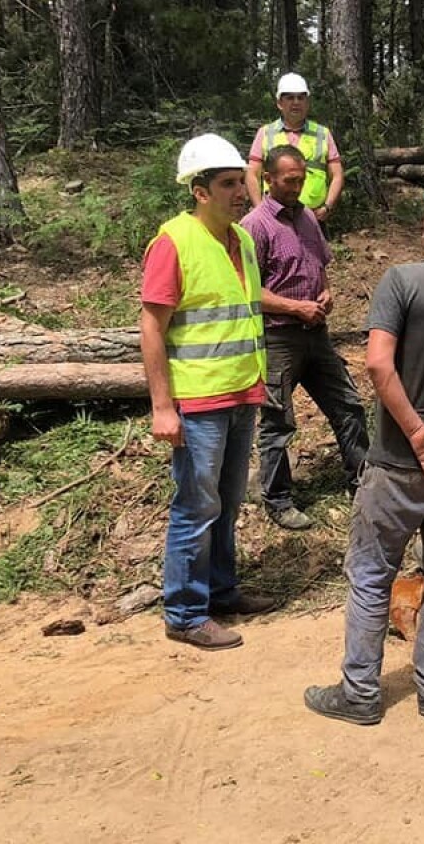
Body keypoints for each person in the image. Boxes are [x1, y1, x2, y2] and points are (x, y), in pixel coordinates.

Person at [304, 180, 424, 725]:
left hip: (400, 460)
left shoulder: (401, 282)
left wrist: (414, 430)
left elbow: (377, 364)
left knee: (371, 573)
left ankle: (362, 695)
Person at [140, 134, 277, 651]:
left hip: (242, 393)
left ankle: (221, 590)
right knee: (196, 507)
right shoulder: (173, 242)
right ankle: (184, 611)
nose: (241, 191)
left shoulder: (241, 240)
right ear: (199, 191)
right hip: (197, 404)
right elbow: (152, 327)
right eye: (227, 184)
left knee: (228, 501)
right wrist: (162, 407)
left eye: (241, 181)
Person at [241, 144, 370, 532]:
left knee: (349, 406)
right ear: (269, 180)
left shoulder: (308, 219)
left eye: (302, 179)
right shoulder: (255, 226)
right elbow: (248, 292)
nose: (297, 186)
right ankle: (278, 499)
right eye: (289, 180)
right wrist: (295, 308)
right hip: (278, 339)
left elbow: (319, 265)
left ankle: (362, 483)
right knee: (278, 421)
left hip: (316, 334)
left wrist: (325, 291)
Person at [246, 72, 345, 224]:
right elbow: (252, 174)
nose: (296, 102)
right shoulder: (266, 133)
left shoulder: (322, 133)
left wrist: (327, 207)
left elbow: (337, 174)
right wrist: (260, 210)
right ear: (280, 103)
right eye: (290, 97)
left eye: (301, 97)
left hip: (313, 218)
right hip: (275, 218)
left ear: (307, 102)